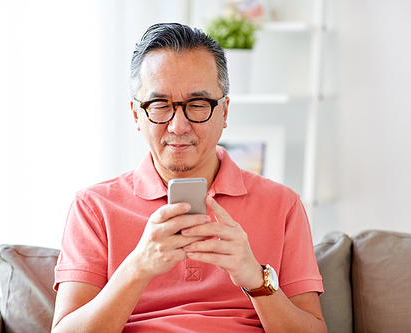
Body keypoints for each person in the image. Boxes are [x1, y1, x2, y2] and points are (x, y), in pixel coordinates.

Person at [51, 23, 327, 333]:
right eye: (159, 105)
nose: (178, 125)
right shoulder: (93, 206)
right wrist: (137, 267)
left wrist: (256, 279)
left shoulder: (282, 204)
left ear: (224, 113)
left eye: (198, 104)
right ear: (136, 115)